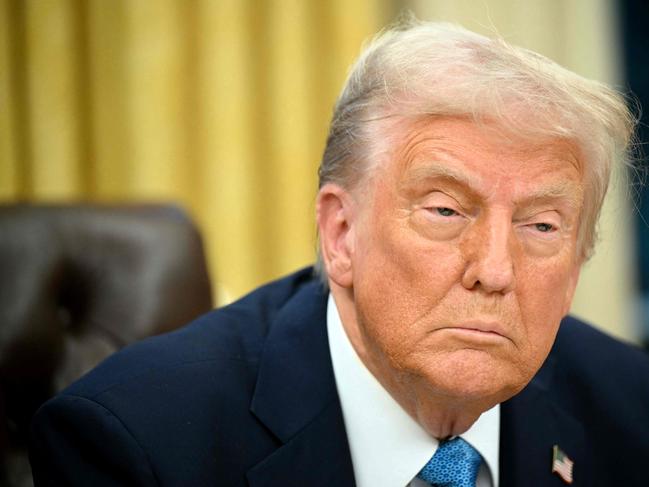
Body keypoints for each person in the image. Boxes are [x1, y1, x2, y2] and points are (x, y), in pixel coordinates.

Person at [29, 19, 649, 487]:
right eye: (444, 211)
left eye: (541, 226)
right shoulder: (139, 443)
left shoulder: (632, 410)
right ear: (341, 233)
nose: (493, 270)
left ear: (576, 269)